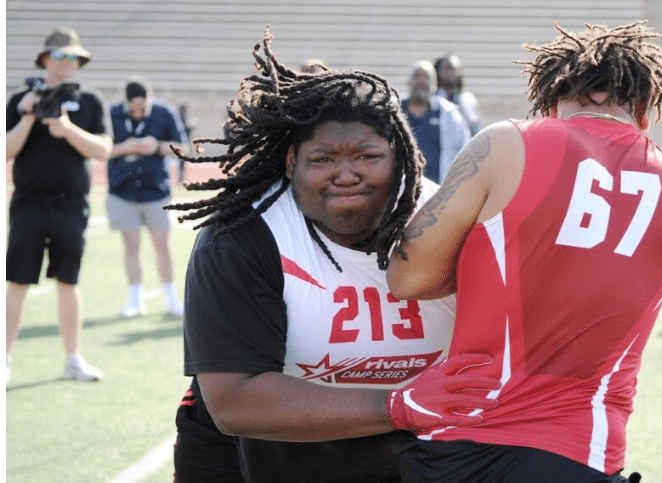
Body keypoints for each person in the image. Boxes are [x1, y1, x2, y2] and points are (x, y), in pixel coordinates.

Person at [385, 21, 662, 483]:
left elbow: (406, 278)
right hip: (583, 452)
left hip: (461, 445)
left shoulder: (505, 143)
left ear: (552, 98)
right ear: (642, 107)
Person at [168, 28, 499, 483]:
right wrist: (401, 404)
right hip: (254, 451)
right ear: (291, 163)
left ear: (400, 157)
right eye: (322, 159)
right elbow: (234, 400)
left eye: (367, 155)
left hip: (403, 451)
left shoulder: (448, 221)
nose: (346, 174)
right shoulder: (244, 235)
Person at [6, 26, 112, 383]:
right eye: (59, 55)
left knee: (68, 279)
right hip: (28, 202)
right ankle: (4, 359)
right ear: (45, 58)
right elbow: (7, 150)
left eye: (72, 57)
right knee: (18, 279)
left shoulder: (90, 101)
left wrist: (66, 128)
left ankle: (73, 358)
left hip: (71, 204)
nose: (65, 62)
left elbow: (103, 151)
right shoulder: (21, 99)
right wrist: (28, 116)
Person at [108, 76, 188, 318]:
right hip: (123, 191)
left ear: (150, 97)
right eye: (134, 107)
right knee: (131, 246)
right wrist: (128, 147)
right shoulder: (113, 113)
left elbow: (183, 149)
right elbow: (99, 149)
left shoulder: (164, 112)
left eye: (142, 106)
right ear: (125, 101)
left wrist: (156, 147)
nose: (138, 111)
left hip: (156, 190)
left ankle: (171, 297)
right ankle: (135, 299)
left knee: (162, 245)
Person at [400, 60, 470, 183]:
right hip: (400, 191)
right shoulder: (394, 111)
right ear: (408, 81)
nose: (421, 80)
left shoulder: (450, 114)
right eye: (417, 76)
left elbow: (465, 151)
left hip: (437, 191)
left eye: (426, 77)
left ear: (434, 83)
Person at [434, 54, 482, 135]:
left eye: (455, 69)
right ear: (438, 72)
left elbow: (476, 129)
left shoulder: (469, 99)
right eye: (447, 68)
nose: (451, 72)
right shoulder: (432, 99)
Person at [176, 102, 197, 184]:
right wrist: (189, 127)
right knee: (181, 160)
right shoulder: (179, 118)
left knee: (183, 160)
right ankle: (180, 177)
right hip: (181, 143)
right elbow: (183, 130)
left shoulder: (183, 118)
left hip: (185, 142)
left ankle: (181, 176)